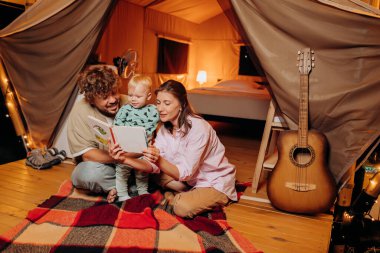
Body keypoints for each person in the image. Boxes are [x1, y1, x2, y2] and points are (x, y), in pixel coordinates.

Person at [109, 80, 237, 218]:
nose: (160, 108)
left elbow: (185, 172)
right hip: (187, 180)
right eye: (158, 103)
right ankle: (186, 192)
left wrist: (157, 159)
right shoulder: (165, 129)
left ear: (181, 104)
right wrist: (124, 159)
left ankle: (198, 196)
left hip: (213, 181)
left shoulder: (199, 128)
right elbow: (151, 165)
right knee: (152, 174)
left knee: (182, 207)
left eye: (167, 103)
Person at [67, 65, 127, 203]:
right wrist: (119, 158)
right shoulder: (80, 111)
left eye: (114, 92)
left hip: (134, 165)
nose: (113, 100)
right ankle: (125, 187)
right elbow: (88, 155)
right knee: (84, 174)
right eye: (105, 97)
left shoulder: (129, 102)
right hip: (105, 166)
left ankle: (119, 188)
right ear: (91, 99)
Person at [113, 75, 159, 201]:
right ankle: (122, 194)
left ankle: (142, 191)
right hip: (126, 147)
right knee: (122, 170)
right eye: (130, 95)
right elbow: (116, 126)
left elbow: (156, 125)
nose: (133, 99)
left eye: (138, 96)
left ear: (148, 96)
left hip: (143, 148)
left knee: (142, 172)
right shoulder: (125, 109)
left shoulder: (153, 110)